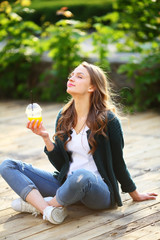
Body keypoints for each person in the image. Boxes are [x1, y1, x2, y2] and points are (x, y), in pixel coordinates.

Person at [0, 62, 157, 224]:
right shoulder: (64, 116)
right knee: (7, 165)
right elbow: (61, 164)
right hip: (67, 185)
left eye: (79, 76)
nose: (72, 78)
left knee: (82, 175)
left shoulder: (108, 120)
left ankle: (41, 204)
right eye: (71, 75)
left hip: (97, 191)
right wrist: (46, 138)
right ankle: (47, 210)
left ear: (92, 87)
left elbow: (118, 161)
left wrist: (133, 192)